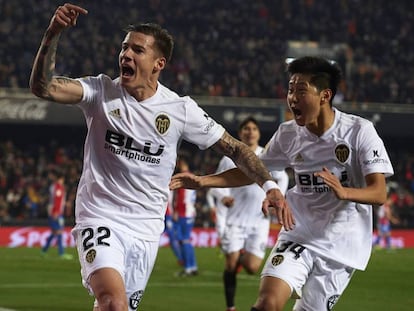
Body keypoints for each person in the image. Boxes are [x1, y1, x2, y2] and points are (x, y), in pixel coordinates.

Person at [29, 4, 293, 311]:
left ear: (158, 64)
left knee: (118, 307)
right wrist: (52, 35)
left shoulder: (180, 109)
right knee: (113, 302)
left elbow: (235, 149)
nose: (126, 55)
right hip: (100, 217)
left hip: (146, 228)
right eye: (125, 48)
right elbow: (43, 87)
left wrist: (270, 187)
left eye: (137, 50)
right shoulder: (100, 91)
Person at [170, 56, 394, 311]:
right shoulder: (288, 134)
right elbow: (252, 170)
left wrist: (344, 192)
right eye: (290, 89)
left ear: (324, 95)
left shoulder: (359, 131)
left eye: (301, 90)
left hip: (340, 245)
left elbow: (379, 193)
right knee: (267, 303)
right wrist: (203, 181)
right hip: (298, 233)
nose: (292, 98)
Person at [210, 116, 289, 311]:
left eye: (254, 128)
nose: (250, 131)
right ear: (240, 133)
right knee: (230, 265)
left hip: (259, 221)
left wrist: (279, 198)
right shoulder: (229, 158)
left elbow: (282, 177)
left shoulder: (267, 156)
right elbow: (217, 184)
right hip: (234, 220)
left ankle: (241, 253)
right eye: (246, 128)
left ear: (259, 133)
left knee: (252, 267)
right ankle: (231, 307)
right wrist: (223, 198)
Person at [172, 157, 198, 276]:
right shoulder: (192, 176)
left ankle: (188, 268)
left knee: (184, 240)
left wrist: (177, 211)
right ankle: (192, 266)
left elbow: (181, 197)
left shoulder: (184, 178)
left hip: (184, 213)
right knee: (186, 240)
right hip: (190, 212)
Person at [41, 171, 73, 259]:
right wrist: (56, 211)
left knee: (54, 232)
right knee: (59, 232)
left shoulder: (54, 186)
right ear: (61, 179)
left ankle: (44, 250)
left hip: (55, 211)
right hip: (57, 213)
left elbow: (56, 200)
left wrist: (64, 204)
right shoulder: (59, 187)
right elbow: (57, 200)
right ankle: (61, 253)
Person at [164, 190, 183, 266]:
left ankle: (181, 258)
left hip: (168, 215)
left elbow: (173, 201)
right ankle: (181, 258)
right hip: (161, 214)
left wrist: (174, 212)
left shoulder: (171, 189)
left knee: (173, 238)